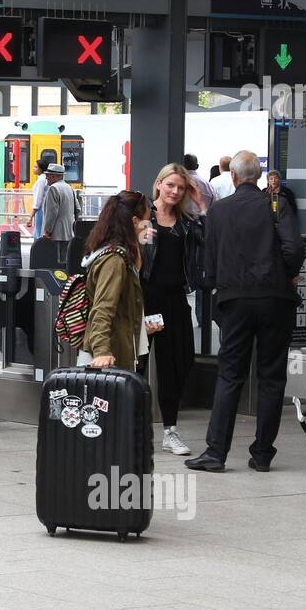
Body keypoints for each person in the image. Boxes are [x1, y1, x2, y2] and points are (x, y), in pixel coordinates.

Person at [187, 151, 303, 473]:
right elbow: (294, 249)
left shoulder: (219, 212)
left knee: (229, 374)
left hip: (234, 301)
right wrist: (287, 272)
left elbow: (208, 262)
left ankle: (215, 452)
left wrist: (216, 285)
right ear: (260, 175)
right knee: (271, 376)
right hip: (275, 300)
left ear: (234, 178)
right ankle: (263, 453)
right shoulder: (277, 205)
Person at [139, 163, 204, 456]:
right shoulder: (143, 218)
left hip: (175, 301)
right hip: (147, 300)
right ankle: (135, 426)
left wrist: (200, 202)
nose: (175, 192)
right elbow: (135, 258)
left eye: (180, 187)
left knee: (178, 364)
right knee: (138, 363)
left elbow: (208, 240)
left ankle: (170, 430)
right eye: (171, 185)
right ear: (159, 184)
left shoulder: (187, 221)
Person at [79, 190, 158, 372]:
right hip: (109, 360)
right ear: (135, 222)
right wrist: (101, 352)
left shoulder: (117, 254)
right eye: (147, 220)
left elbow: (120, 309)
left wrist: (140, 326)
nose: (149, 225)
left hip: (117, 351)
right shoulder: (115, 261)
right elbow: (102, 309)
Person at [39, 163, 78, 257]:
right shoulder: (69, 187)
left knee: (54, 262)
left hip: (56, 234)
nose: (46, 178)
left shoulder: (53, 188)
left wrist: (47, 231)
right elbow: (78, 209)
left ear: (53, 176)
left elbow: (51, 212)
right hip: (69, 232)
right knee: (65, 262)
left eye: (48, 176)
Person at [29, 157, 51, 239]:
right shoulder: (45, 178)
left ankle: (37, 251)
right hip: (44, 209)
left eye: (35, 167)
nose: (33, 168)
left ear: (41, 169)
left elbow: (38, 199)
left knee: (38, 234)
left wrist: (31, 216)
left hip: (40, 210)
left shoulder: (41, 180)